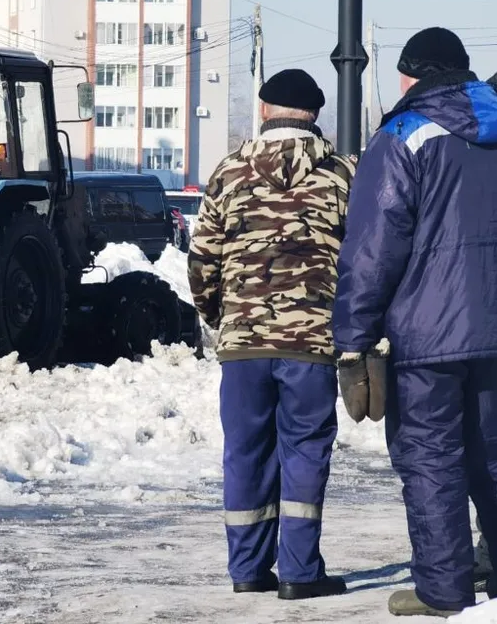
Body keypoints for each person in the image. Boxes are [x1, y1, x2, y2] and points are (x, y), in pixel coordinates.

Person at [333, 27, 497, 617]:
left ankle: (444, 593)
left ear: (413, 76)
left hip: (427, 338)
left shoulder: (403, 135)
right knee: (494, 459)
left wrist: (351, 338)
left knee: (431, 460)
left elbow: (373, 248)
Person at [188, 68, 354, 600]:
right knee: (305, 450)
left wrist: (221, 317)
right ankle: (301, 574)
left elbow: (202, 259)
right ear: (315, 115)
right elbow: (364, 259)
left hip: (243, 345)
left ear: (263, 111)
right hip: (312, 344)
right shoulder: (342, 175)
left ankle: (247, 570)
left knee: (245, 452)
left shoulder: (228, 172)